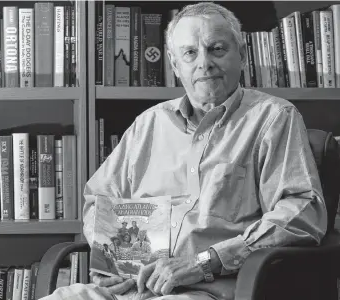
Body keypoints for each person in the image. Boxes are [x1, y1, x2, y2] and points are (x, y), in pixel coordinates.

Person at [41, 2, 327, 300]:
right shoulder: (149, 124)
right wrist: (117, 259)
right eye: (190, 53)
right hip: (128, 290)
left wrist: (204, 263)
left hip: (206, 290)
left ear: (241, 55)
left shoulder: (273, 118)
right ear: (176, 65)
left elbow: (301, 211)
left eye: (217, 49)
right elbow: (99, 200)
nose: (204, 63)